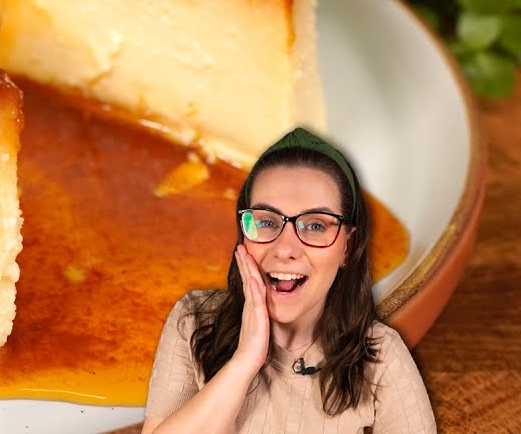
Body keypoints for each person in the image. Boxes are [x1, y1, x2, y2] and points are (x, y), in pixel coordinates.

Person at [141, 127, 436, 433]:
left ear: (347, 248)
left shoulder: (382, 354)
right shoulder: (193, 318)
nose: (285, 249)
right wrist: (244, 361)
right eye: (267, 222)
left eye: (315, 226)